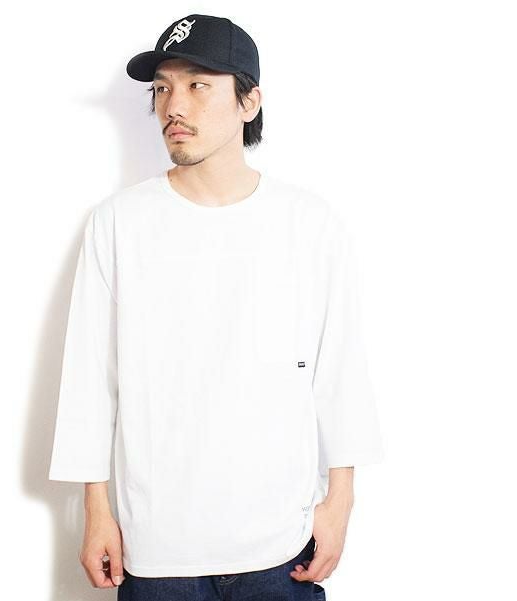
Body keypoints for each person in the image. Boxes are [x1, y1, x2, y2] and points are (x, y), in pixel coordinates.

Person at [48, 13, 384, 601]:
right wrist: (96, 512)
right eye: (162, 89)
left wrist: (341, 500)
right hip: (156, 550)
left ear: (249, 102)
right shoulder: (120, 223)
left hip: (281, 545)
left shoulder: (308, 224)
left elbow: (340, 371)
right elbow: (89, 380)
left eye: (198, 85)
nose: (173, 106)